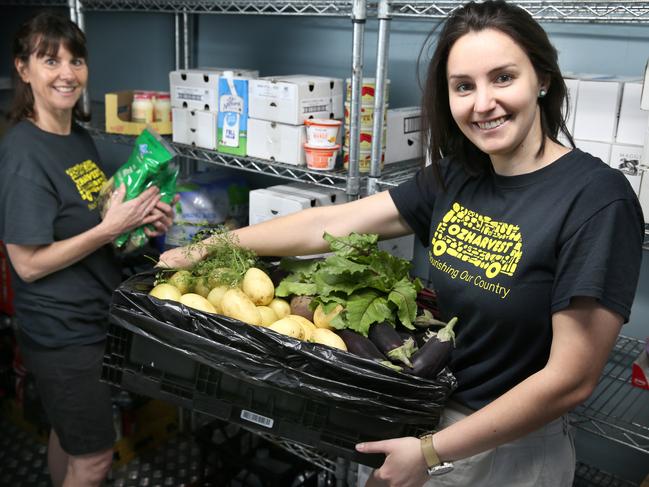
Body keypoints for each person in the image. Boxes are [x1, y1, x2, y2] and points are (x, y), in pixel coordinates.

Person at [158, 1, 644, 486]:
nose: (482, 103)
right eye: (463, 87)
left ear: (541, 78)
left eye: (502, 78)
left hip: (505, 447)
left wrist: (430, 452)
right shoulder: (460, 175)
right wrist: (213, 246)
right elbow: (332, 222)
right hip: (429, 418)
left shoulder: (597, 200)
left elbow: (570, 380)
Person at [0, 12, 177, 487]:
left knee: (72, 436)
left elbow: (96, 228)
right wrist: (107, 230)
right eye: (50, 60)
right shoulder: (22, 154)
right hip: (62, 334)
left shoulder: (78, 139)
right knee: (96, 458)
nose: (67, 73)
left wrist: (140, 226)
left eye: (76, 61)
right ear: (23, 69)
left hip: (94, 316)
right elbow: (27, 266)